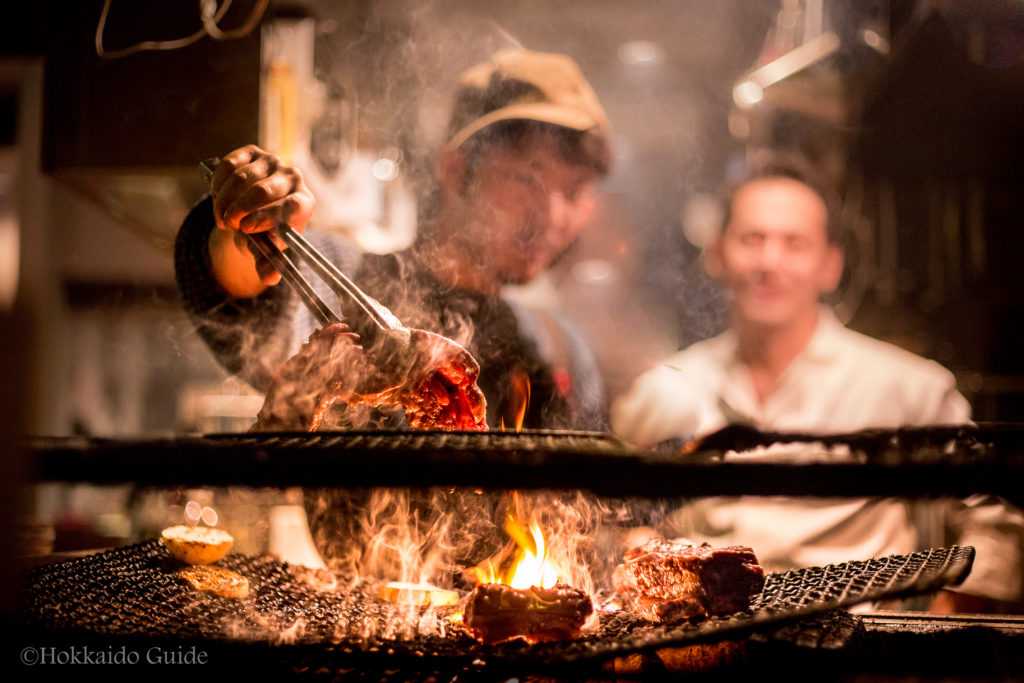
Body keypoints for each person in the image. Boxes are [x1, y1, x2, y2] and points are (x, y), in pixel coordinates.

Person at [611, 155, 1023, 612]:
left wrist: (947, 622)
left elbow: (997, 524)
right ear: (718, 255)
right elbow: (610, 518)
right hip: (707, 652)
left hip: (860, 653)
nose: (770, 261)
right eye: (753, 239)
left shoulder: (909, 388)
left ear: (830, 265)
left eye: (794, 243)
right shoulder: (667, 387)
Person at [175, 48, 612, 431]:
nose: (552, 215)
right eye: (527, 177)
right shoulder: (353, 281)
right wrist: (245, 223)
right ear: (457, 169)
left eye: (573, 192)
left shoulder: (565, 353)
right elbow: (243, 286)